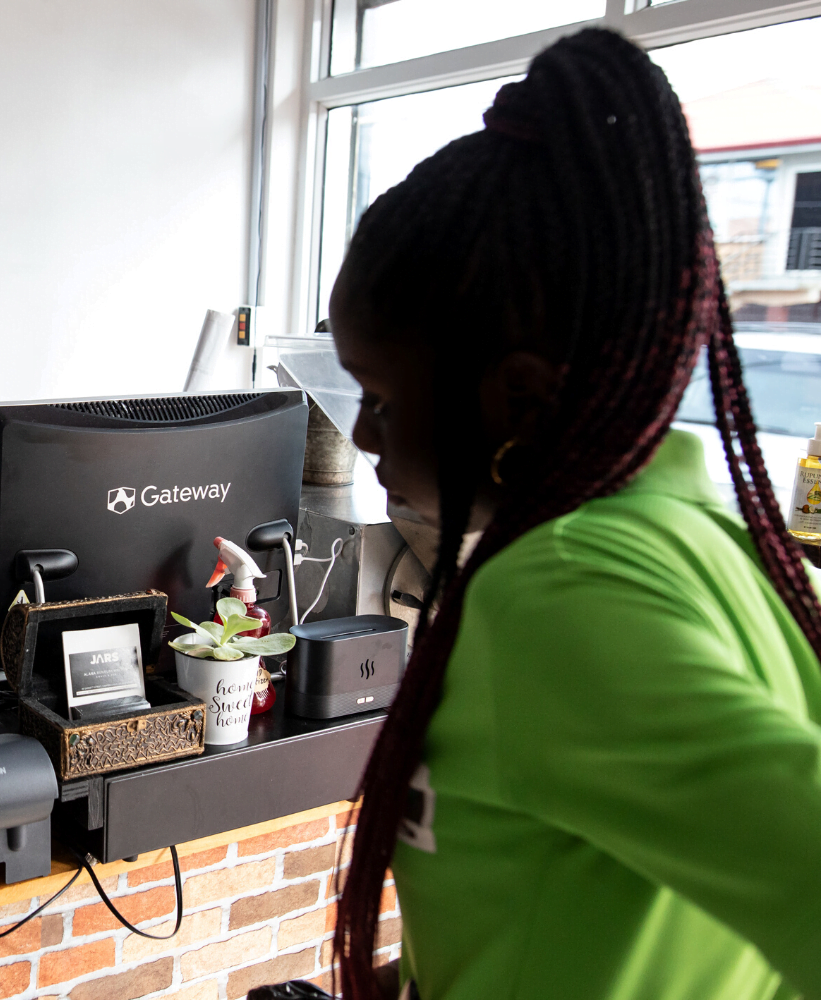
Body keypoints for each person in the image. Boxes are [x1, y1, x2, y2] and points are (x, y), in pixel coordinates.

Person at [326, 29, 821, 1000]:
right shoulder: (730, 547)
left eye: (379, 396)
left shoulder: (553, 594)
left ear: (518, 398)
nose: (361, 433)